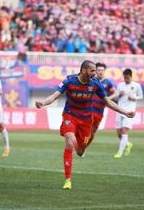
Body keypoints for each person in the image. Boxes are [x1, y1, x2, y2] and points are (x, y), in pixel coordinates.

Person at [35, 60, 135, 190]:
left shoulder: (95, 84)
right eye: (92, 71)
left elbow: (108, 102)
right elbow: (54, 96)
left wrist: (126, 112)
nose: (95, 73)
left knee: (80, 150)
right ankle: (68, 180)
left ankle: (79, 147)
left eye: (95, 71)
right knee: (70, 142)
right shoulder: (69, 81)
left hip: (87, 120)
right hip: (70, 115)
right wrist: (43, 103)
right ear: (83, 70)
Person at [109, 68, 143, 158]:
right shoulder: (120, 85)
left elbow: (141, 96)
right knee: (119, 133)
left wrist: (134, 97)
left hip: (130, 111)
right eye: (124, 78)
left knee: (124, 130)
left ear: (131, 77)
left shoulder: (136, 85)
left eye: (127, 78)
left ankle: (119, 153)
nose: (126, 80)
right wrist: (119, 95)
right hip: (120, 110)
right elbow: (117, 96)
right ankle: (128, 145)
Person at [86, 62, 116, 150]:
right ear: (95, 71)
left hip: (99, 112)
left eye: (102, 70)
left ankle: (84, 148)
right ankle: (79, 145)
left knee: (92, 132)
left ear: (104, 71)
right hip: (88, 110)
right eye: (98, 70)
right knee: (84, 129)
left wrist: (107, 99)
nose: (100, 72)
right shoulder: (91, 80)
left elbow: (116, 92)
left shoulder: (108, 82)